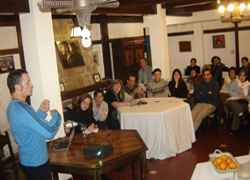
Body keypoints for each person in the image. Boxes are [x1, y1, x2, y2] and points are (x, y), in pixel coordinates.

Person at [6, 69, 61, 180]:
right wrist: (57, 115)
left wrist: (41, 111)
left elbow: (29, 125)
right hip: (37, 163)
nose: (31, 85)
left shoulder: (12, 107)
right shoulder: (24, 109)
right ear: (17, 87)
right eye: (28, 82)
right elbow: (50, 132)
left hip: (27, 160)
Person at [192, 65, 219, 132]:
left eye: (207, 75)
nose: (206, 77)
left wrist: (203, 93)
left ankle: (191, 135)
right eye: (204, 75)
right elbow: (197, 96)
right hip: (200, 103)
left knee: (198, 117)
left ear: (211, 75)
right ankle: (188, 133)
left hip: (211, 104)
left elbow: (214, 96)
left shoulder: (215, 83)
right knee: (191, 116)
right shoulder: (200, 84)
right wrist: (208, 93)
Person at [226, 69, 250, 137]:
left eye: (243, 76)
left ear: (246, 76)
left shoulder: (248, 84)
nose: (241, 77)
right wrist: (237, 95)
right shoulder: (235, 82)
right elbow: (230, 92)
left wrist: (246, 97)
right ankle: (243, 118)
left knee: (238, 111)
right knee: (234, 105)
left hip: (243, 102)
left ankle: (234, 130)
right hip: (233, 100)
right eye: (240, 75)